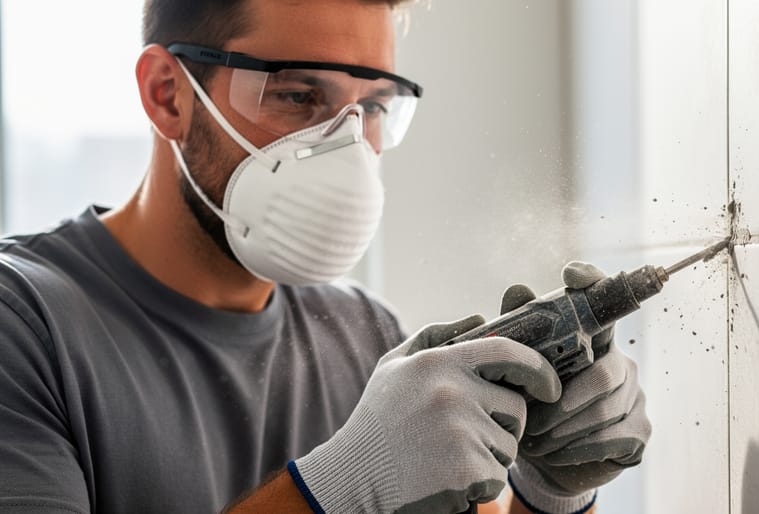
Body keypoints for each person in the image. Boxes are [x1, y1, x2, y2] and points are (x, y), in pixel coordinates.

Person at [0, 0, 651, 512]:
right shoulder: (24, 326)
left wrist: (551, 495)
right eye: (297, 96)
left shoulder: (366, 338)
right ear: (168, 92)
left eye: (371, 107)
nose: (345, 146)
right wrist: (342, 488)